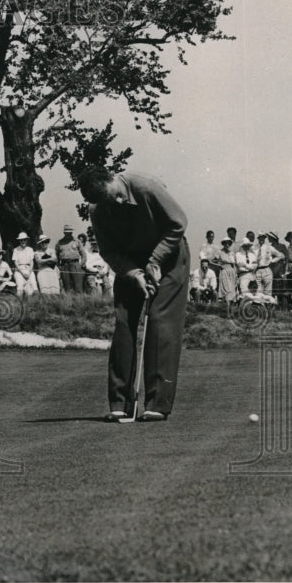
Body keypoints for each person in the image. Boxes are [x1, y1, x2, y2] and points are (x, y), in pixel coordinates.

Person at [77, 165, 189, 423]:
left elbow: (178, 223)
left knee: (160, 321)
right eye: (108, 202)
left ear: (113, 178)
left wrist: (155, 261)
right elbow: (108, 251)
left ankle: (157, 403)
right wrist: (135, 273)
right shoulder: (97, 209)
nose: (116, 201)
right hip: (131, 261)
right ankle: (120, 402)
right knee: (124, 321)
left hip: (169, 254)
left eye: (114, 194)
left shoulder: (146, 186)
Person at [55, 225, 87, 294]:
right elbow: (56, 256)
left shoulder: (77, 241)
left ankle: (79, 302)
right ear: (64, 233)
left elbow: (84, 255)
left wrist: (80, 265)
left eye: (70, 232)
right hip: (64, 265)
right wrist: (59, 266)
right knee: (67, 288)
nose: (68, 234)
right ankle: (69, 303)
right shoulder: (59, 243)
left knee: (78, 287)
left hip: (75, 265)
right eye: (67, 232)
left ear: (72, 232)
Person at [255, 230, 285, 297]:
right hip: (257, 270)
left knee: (267, 291)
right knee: (258, 291)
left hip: (266, 269)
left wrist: (272, 261)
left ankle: (267, 306)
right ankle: (260, 306)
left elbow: (281, 255)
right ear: (258, 238)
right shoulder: (255, 248)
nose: (261, 239)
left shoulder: (269, 247)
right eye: (260, 237)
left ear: (265, 238)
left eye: (263, 237)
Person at [11, 232, 38, 297]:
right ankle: (18, 304)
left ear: (27, 240)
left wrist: (29, 271)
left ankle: (37, 303)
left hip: (29, 269)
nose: (23, 241)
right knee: (20, 287)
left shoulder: (30, 249)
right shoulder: (16, 250)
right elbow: (16, 263)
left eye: (24, 240)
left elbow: (32, 261)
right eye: (21, 240)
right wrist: (22, 273)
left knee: (34, 287)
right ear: (19, 241)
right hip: (19, 270)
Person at [217, 237, 239, 311]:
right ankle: (227, 308)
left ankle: (231, 309)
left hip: (232, 271)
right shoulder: (220, 252)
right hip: (224, 271)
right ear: (223, 244)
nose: (227, 245)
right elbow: (212, 260)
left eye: (228, 243)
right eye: (225, 243)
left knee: (232, 290)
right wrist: (219, 265)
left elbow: (234, 264)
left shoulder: (232, 253)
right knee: (227, 289)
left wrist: (235, 273)